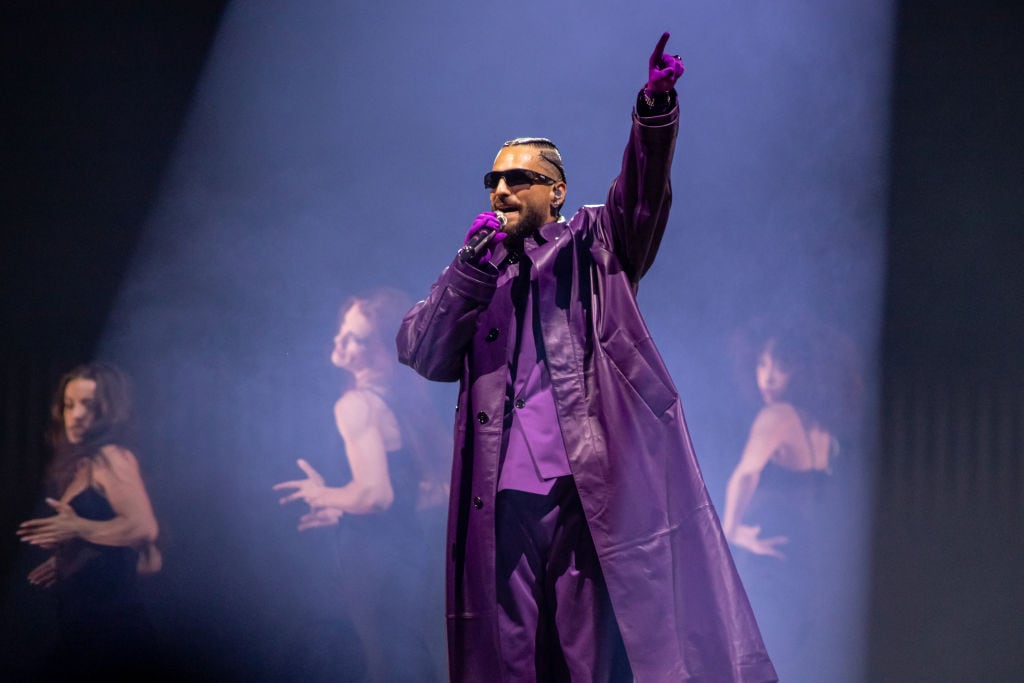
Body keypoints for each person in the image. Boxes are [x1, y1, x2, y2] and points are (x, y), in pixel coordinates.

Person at [396, 32, 777, 682]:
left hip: (582, 493)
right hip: (502, 498)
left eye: (521, 178)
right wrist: (465, 269)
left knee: (586, 659)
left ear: (559, 191)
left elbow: (642, 196)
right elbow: (421, 349)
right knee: (508, 659)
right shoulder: (478, 271)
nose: (503, 189)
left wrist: (653, 113)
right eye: (494, 179)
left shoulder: (595, 240)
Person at [274, 288, 449, 682]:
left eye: (356, 338)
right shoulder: (407, 403)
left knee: (383, 660)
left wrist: (321, 494)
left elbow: (374, 494)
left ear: (383, 351)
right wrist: (341, 507)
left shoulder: (356, 405)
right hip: (411, 554)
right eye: (342, 332)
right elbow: (437, 488)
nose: (340, 342)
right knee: (406, 654)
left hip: (375, 560)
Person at [721, 322, 863, 681]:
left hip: (765, 552)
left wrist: (729, 531)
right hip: (800, 560)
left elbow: (746, 473)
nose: (767, 378)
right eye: (762, 365)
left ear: (803, 371)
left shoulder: (778, 416)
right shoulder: (823, 432)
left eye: (780, 367)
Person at [17, 361, 161, 676]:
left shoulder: (111, 456)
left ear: (110, 410)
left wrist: (77, 527)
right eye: (69, 405)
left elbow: (143, 528)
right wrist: (70, 558)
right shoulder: (83, 465)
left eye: (88, 405)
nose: (77, 414)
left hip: (111, 628)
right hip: (81, 622)